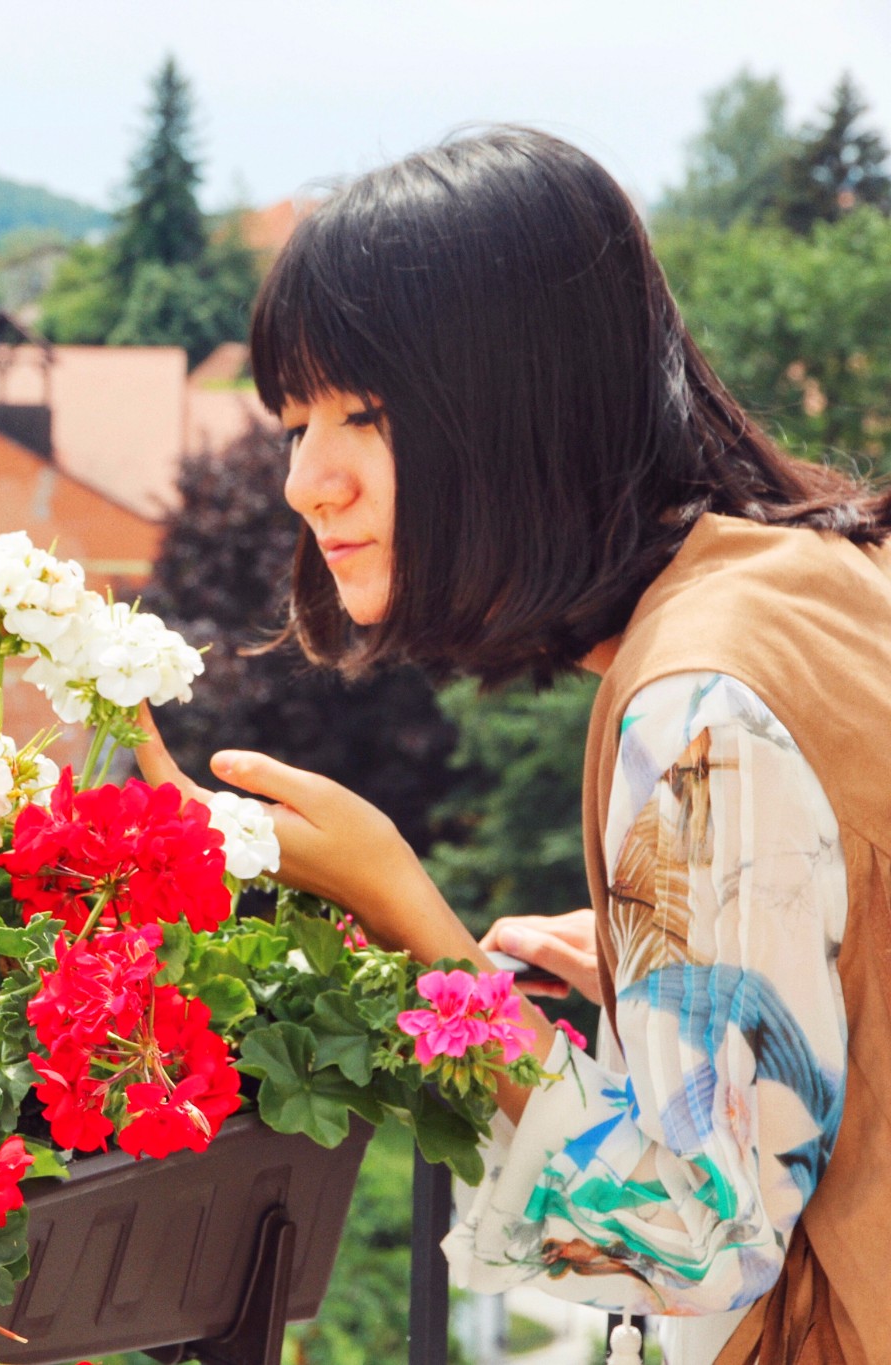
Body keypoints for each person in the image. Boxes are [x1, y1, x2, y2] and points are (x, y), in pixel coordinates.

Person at [136, 127, 888, 1365]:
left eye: (363, 416)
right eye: (291, 423)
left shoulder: (693, 705)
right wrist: (674, 983)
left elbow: (680, 1241)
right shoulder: (818, 578)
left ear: (518, 407)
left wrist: (409, 923)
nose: (304, 483)